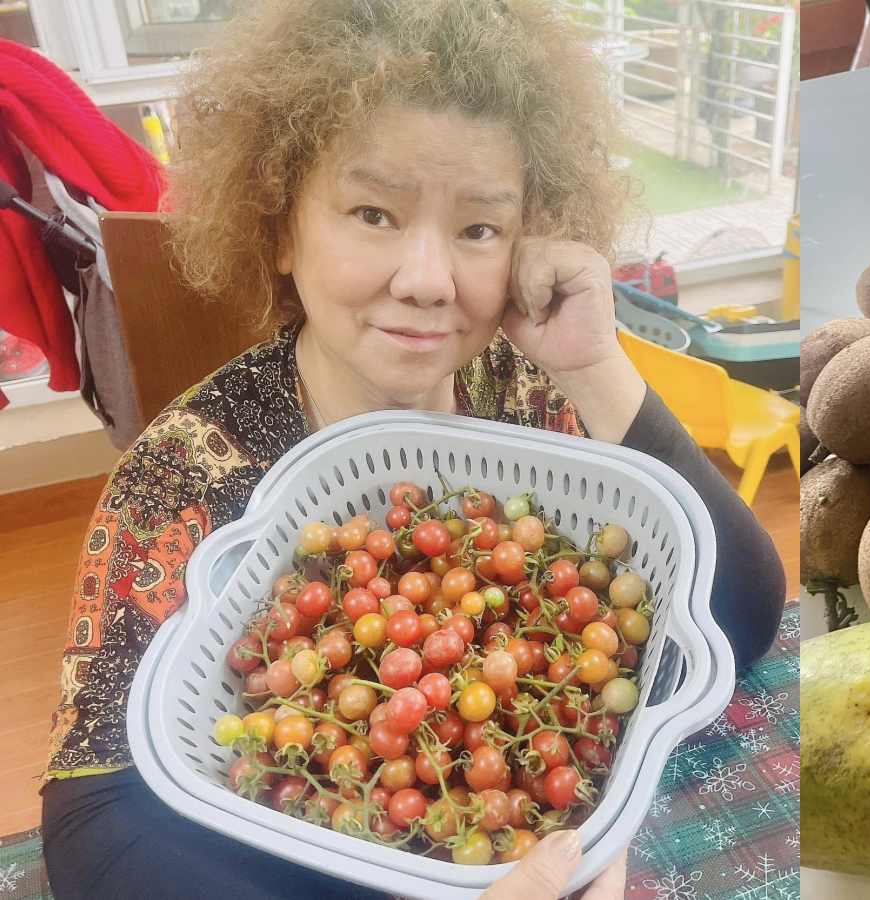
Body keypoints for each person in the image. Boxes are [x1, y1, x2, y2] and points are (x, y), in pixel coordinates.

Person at [39, 2, 787, 897]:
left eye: (478, 229)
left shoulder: (531, 395)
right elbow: (91, 826)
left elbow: (738, 613)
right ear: (279, 227)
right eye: (372, 212)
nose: (427, 281)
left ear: (525, 239)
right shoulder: (189, 471)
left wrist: (597, 366)